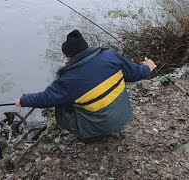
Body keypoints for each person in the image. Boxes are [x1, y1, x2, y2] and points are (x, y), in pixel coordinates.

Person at [15, 29, 157, 143]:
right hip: (123, 116)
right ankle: (107, 126)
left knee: (61, 102)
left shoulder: (69, 79)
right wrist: (147, 67)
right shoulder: (110, 55)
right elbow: (136, 73)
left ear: (69, 56)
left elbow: (46, 98)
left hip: (99, 128)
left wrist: (24, 100)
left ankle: (90, 135)